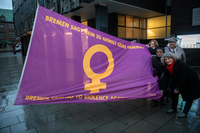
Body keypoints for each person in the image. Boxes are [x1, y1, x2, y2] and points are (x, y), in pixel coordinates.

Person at [160, 52, 200, 118]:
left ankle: (185, 112)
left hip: (190, 80)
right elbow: (166, 78)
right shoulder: (166, 66)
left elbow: (183, 77)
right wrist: (163, 89)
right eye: (165, 59)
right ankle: (173, 108)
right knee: (174, 93)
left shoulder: (181, 64)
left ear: (173, 58)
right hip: (177, 79)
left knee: (189, 96)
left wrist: (178, 88)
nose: (167, 60)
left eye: (169, 58)